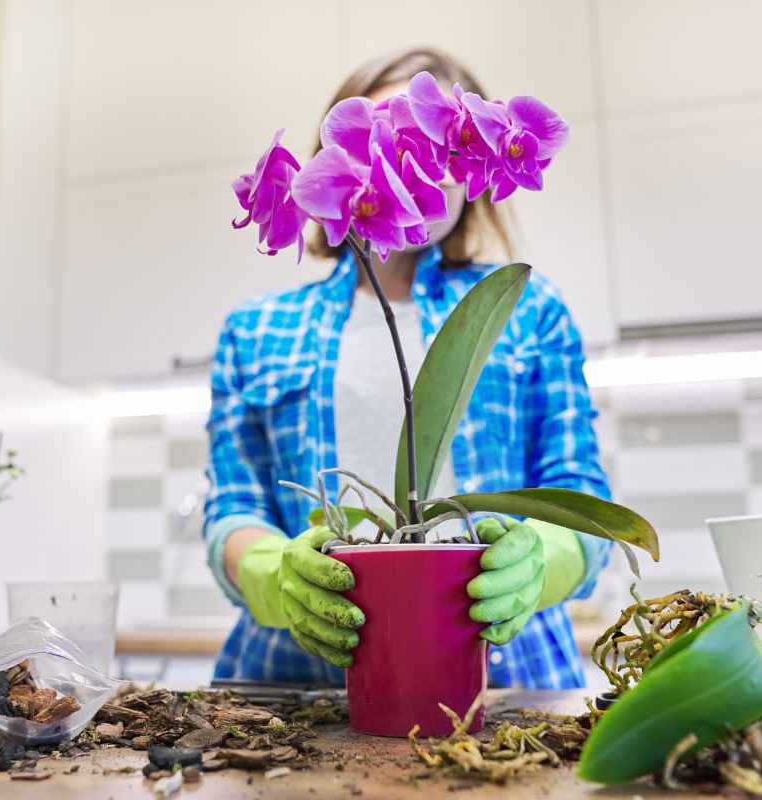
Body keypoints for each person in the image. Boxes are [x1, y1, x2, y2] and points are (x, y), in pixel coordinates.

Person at [203, 48, 612, 688]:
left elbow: (581, 493)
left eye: (440, 139)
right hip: (292, 681)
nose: (417, 158)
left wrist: (541, 561)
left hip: (507, 679)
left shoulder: (525, 308)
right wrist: (271, 571)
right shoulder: (256, 330)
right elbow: (234, 503)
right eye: (392, 134)